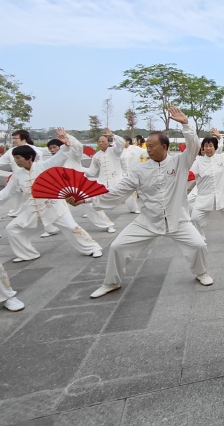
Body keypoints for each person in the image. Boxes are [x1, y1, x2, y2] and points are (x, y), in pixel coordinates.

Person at [73, 108, 214, 299]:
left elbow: (194, 145)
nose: (148, 149)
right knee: (117, 247)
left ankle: (202, 273)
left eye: (152, 146)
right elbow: (117, 193)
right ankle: (111, 282)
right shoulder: (139, 171)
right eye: (147, 146)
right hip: (148, 220)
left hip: (178, 219)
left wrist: (186, 124)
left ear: (164, 147)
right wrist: (85, 199)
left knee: (198, 245)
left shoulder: (180, 163)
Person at [0, 129, 103, 262]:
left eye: (18, 158)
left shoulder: (44, 166)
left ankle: (93, 248)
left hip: (53, 206)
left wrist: (66, 142)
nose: (16, 161)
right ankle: (27, 254)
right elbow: (3, 195)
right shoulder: (17, 176)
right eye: (14, 158)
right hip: (31, 211)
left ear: (29, 158)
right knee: (13, 229)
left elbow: (60, 156)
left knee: (72, 227)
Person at [46, 137, 117, 233]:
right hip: (62, 188)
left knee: (90, 206)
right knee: (50, 206)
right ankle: (50, 229)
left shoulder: (73, 157)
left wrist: (67, 136)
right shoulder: (52, 161)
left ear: (61, 147)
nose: (52, 150)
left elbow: (78, 146)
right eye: (50, 149)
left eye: (54, 147)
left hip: (78, 186)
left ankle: (108, 225)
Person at [86, 128, 139, 216]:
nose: (101, 143)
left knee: (129, 193)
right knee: (93, 194)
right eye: (99, 142)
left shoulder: (114, 151)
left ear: (108, 142)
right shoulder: (96, 156)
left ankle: (134, 208)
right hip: (103, 180)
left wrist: (112, 135)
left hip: (117, 178)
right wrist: (79, 169)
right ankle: (92, 212)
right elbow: (92, 172)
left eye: (103, 141)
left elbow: (121, 143)